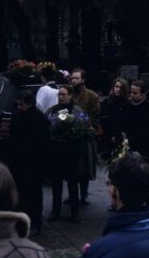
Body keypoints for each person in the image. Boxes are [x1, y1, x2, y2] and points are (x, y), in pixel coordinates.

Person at [46, 85, 93, 223]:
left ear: (70, 95)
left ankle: (75, 213)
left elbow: (84, 128)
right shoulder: (52, 110)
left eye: (64, 94)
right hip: (56, 152)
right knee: (56, 185)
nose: (61, 97)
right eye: (59, 94)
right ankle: (55, 211)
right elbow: (48, 126)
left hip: (71, 153)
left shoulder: (77, 111)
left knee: (73, 185)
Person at [8, 90, 51, 236]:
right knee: (23, 194)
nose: (19, 107)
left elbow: (43, 144)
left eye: (22, 104)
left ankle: (35, 222)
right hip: (21, 162)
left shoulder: (39, 119)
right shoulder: (19, 116)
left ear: (29, 104)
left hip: (33, 163)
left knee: (33, 195)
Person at [120, 80, 149, 206]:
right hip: (129, 147)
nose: (132, 95)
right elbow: (123, 123)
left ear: (143, 94)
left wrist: (132, 140)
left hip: (147, 149)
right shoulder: (127, 106)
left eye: (135, 93)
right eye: (131, 92)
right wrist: (123, 136)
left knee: (146, 179)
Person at [70, 69, 101, 206]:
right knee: (71, 168)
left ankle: (84, 195)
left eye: (76, 78)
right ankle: (72, 195)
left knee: (84, 167)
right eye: (72, 78)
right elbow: (63, 111)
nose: (74, 81)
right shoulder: (69, 94)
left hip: (85, 135)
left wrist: (86, 125)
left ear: (83, 80)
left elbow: (95, 116)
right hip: (70, 135)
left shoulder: (92, 96)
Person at [99, 77, 130, 161]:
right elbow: (103, 118)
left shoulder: (127, 103)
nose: (118, 89)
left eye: (121, 88)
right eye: (116, 87)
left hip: (122, 136)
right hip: (108, 135)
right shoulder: (107, 101)